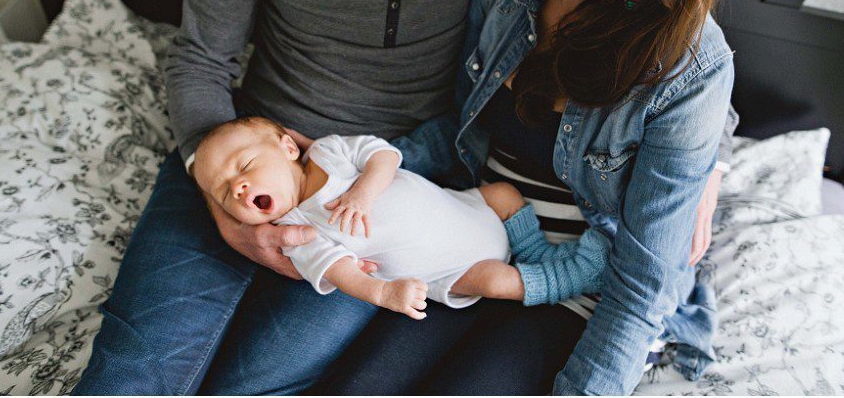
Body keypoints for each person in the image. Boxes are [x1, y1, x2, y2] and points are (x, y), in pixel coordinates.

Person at [73, 0, 736, 394]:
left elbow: (676, 53)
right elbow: (198, 56)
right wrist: (215, 186)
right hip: (250, 154)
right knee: (132, 371)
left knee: (265, 379)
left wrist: (702, 164)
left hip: (390, 194)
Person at [312, 0, 771, 394]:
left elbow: (640, 285)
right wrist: (340, 170)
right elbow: (457, 126)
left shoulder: (688, 76)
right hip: (477, 234)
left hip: (582, 280)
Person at [192, 116, 610, 314]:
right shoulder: (297, 233)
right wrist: (382, 294)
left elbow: (383, 154)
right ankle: (574, 276)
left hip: (468, 207)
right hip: (455, 268)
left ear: (287, 148)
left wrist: (362, 192)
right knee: (499, 282)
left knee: (502, 193)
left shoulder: (327, 151)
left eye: (244, 167)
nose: (239, 187)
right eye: (226, 193)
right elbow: (342, 272)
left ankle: (536, 252)